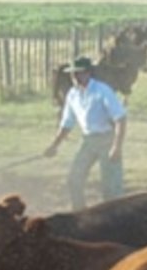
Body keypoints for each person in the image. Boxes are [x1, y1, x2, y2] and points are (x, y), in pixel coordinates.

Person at [43, 56, 127, 209]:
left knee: (111, 187)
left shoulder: (102, 91)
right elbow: (66, 124)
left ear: (88, 73)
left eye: (78, 73)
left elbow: (120, 118)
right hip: (88, 141)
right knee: (74, 178)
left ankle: (116, 217)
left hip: (107, 139)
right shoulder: (72, 95)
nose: (74, 77)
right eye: (72, 74)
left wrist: (117, 146)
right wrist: (54, 145)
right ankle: (80, 213)